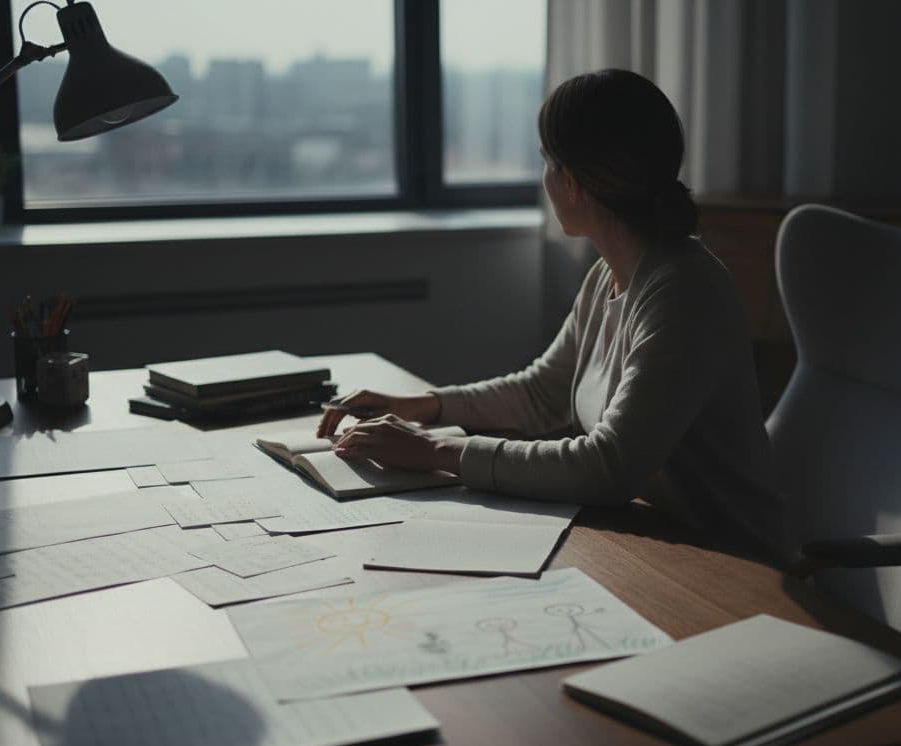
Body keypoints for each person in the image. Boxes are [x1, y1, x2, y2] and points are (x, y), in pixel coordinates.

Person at [318, 68, 791, 561]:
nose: (542, 177)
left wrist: (435, 452)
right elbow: (543, 394)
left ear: (575, 181)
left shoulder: (685, 292)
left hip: (732, 563)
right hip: (657, 540)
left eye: (547, 160)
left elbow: (608, 466)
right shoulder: (612, 273)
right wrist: (425, 406)